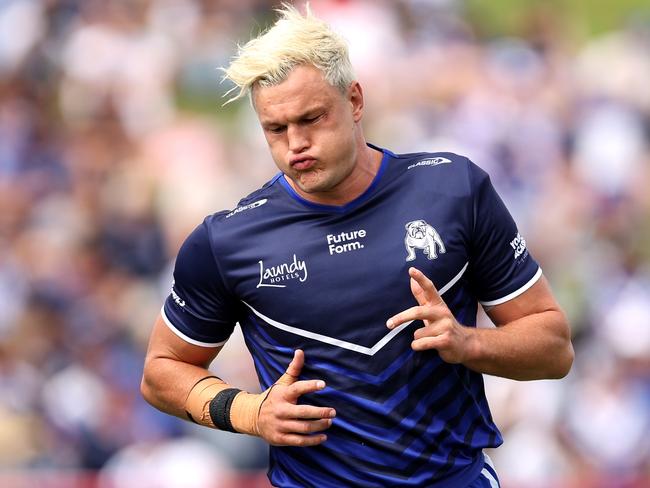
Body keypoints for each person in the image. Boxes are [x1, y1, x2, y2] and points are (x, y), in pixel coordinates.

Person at [141, 5, 574, 487]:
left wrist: (469, 342)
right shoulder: (227, 240)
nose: (295, 145)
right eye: (276, 129)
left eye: (311, 118)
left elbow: (554, 348)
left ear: (355, 100)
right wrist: (247, 411)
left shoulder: (453, 190)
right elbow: (162, 371)